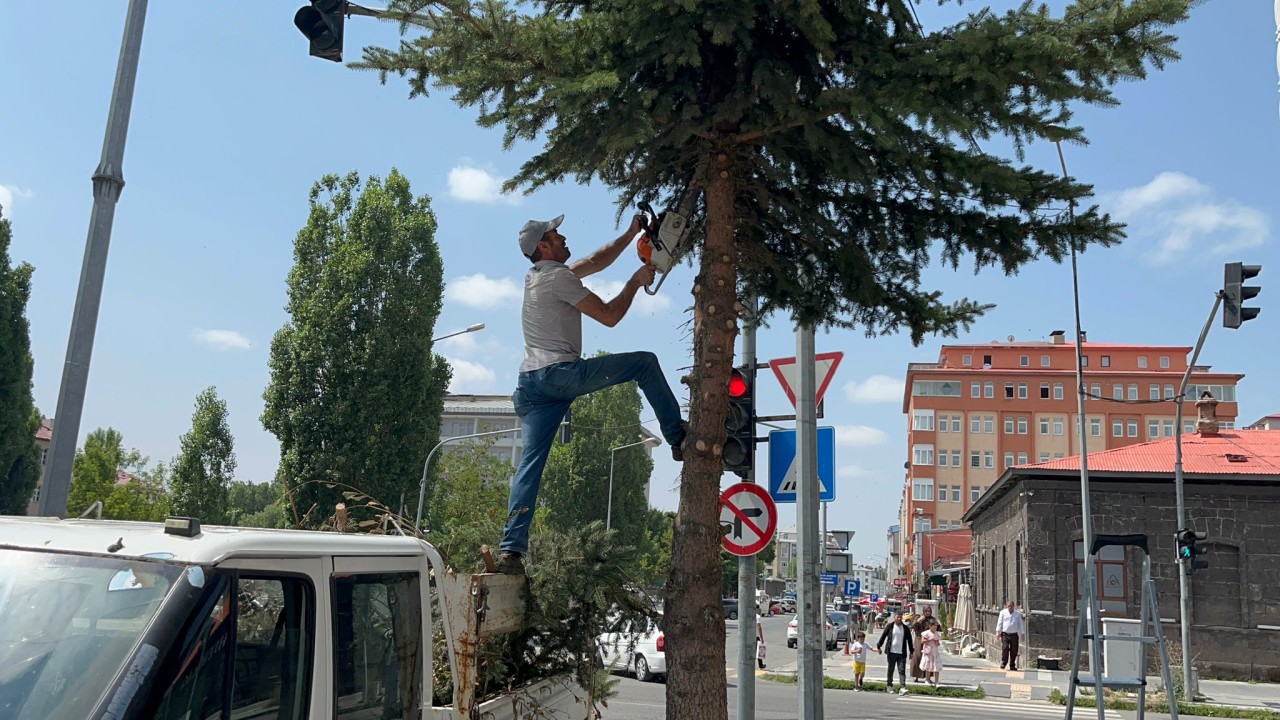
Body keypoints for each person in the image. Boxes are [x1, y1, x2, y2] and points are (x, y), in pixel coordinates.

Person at [496, 214, 688, 575]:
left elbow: (595, 261)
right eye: (557, 235)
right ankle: (678, 437)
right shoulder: (558, 278)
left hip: (531, 385)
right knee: (644, 363)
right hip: (560, 375)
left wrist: (631, 234)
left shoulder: (537, 276)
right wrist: (634, 282)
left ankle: (511, 552)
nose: (564, 236)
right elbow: (611, 316)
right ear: (544, 246)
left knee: (529, 468)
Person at [876, 611, 914, 695]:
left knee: (902, 671)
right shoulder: (890, 626)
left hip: (901, 653)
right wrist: (879, 646)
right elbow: (883, 636)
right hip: (891, 652)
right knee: (891, 670)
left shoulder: (905, 628)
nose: (899, 619)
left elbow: (910, 641)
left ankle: (902, 687)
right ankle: (889, 686)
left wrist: (911, 651)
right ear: (894, 617)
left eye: (901, 617)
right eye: (898, 617)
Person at [997, 600, 1025, 670]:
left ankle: (1012, 664)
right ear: (1007, 606)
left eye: (1011, 606)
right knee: (1005, 648)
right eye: (1009, 606)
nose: (1010, 607)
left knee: (1014, 650)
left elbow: (1021, 624)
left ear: (1014, 606)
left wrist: (1022, 633)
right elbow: (1000, 622)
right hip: (1005, 634)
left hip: (1014, 634)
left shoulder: (1017, 614)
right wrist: (998, 632)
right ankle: (1004, 662)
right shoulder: (1003, 613)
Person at [909, 605, 934, 683]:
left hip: (928, 641)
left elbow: (938, 628)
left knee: (928, 659)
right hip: (919, 640)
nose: (927, 613)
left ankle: (928, 677)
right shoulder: (918, 618)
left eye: (929, 611)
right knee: (917, 657)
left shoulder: (932, 619)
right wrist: (919, 621)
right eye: (926, 611)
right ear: (923, 611)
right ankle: (916, 676)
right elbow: (912, 627)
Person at [919, 618, 943, 687]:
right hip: (928, 652)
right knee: (928, 667)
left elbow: (938, 644)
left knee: (937, 667)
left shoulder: (936, 634)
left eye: (936, 625)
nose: (935, 627)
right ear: (930, 626)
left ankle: (936, 682)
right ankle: (927, 679)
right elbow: (922, 641)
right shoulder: (926, 633)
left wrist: (936, 642)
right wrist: (930, 639)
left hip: (935, 652)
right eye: (934, 625)